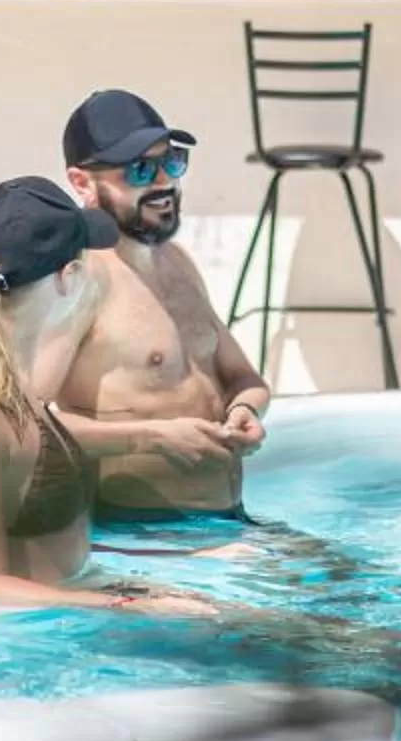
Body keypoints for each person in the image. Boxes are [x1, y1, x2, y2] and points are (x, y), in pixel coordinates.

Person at [0, 176, 215, 615]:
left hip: (72, 605)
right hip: (34, 641)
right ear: (67, 277)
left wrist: (153, 437)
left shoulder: (11, 387)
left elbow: (26, 458)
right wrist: (126, 604)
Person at [48, 89, 289, 549]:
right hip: (142, 539)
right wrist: (153, 438)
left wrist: (244, 411)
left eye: (172, 162)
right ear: (81, 182)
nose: (163, 181)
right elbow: (25, 426)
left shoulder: (177, 264)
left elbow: (242, 377)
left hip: (226, 525)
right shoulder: (75, 280)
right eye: (140, 169)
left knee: (369, 596)